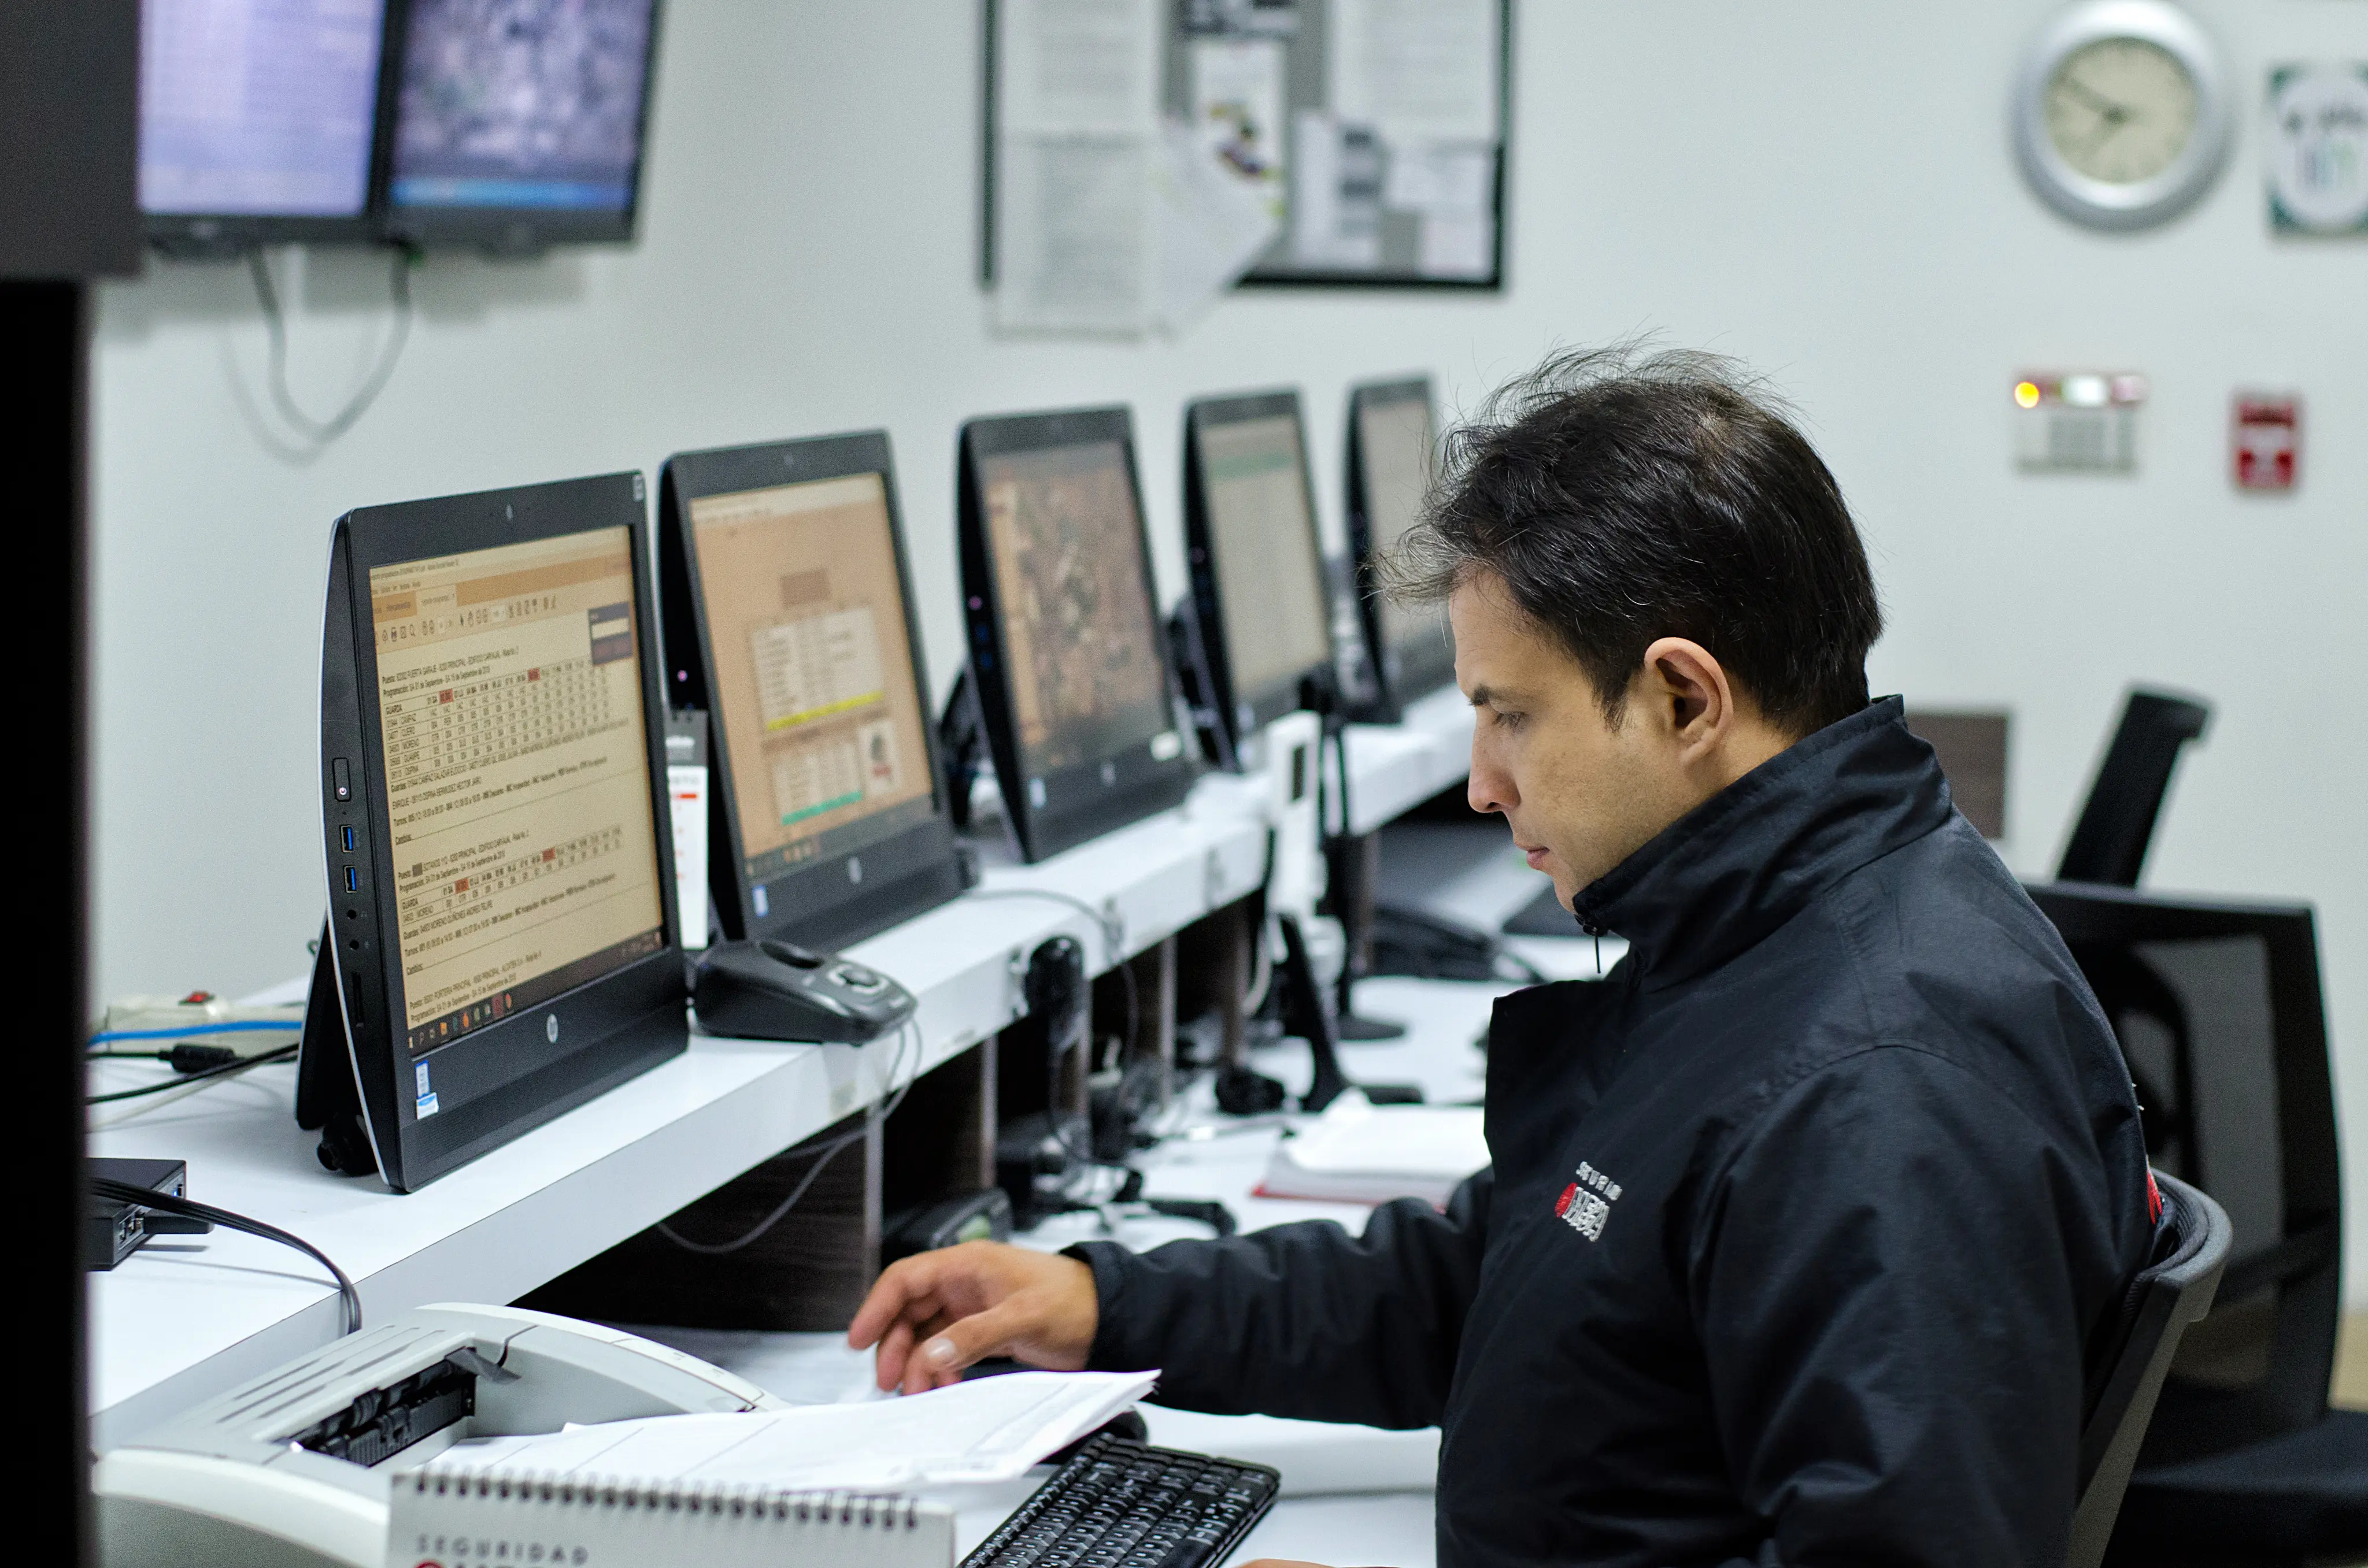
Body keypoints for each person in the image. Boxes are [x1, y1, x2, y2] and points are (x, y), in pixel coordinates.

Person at [849, 347, 2157, 1567]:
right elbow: (1513, 1279)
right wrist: (1103, 1308)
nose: (1480, 784)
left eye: (1509, 717)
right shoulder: (1769, 932)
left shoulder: (1873, 1087)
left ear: (1682, 700)